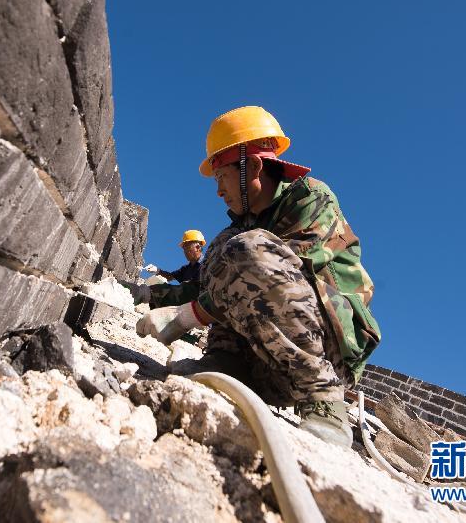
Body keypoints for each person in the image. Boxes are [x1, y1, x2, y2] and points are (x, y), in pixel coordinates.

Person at [136, 106, 381, 447]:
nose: (219, 191)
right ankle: (228, 364)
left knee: (245, 251)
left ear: (252, 166)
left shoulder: (311, 200)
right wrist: (151, 297)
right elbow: (209, 287)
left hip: (327, 352)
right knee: (227, 250)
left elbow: (275, 274)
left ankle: (323, 399)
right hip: (268, 363)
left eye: (221, 177)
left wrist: (186, 317)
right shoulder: (242, 227)